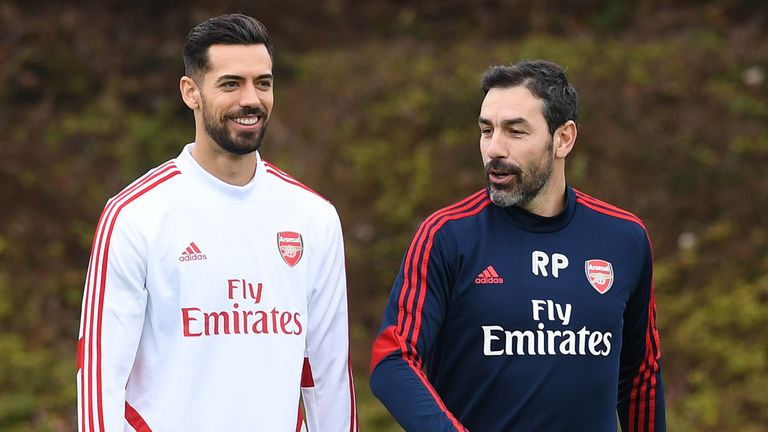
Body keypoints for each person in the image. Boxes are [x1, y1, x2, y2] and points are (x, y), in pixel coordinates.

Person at [76, 14, 358, 432]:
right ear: (191, 92)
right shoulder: (136, 215)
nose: (252, 99)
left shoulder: (313, 216)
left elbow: (328, 373)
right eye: (231, 84)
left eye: (263, 82)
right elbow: (101, 377)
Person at [369, 60, 665, 431]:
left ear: (563, 139)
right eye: (486, 130)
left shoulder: (624, 238)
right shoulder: (447, 235)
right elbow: (393, 360)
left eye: (515, 132)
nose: (494, 148)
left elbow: (640, 380)